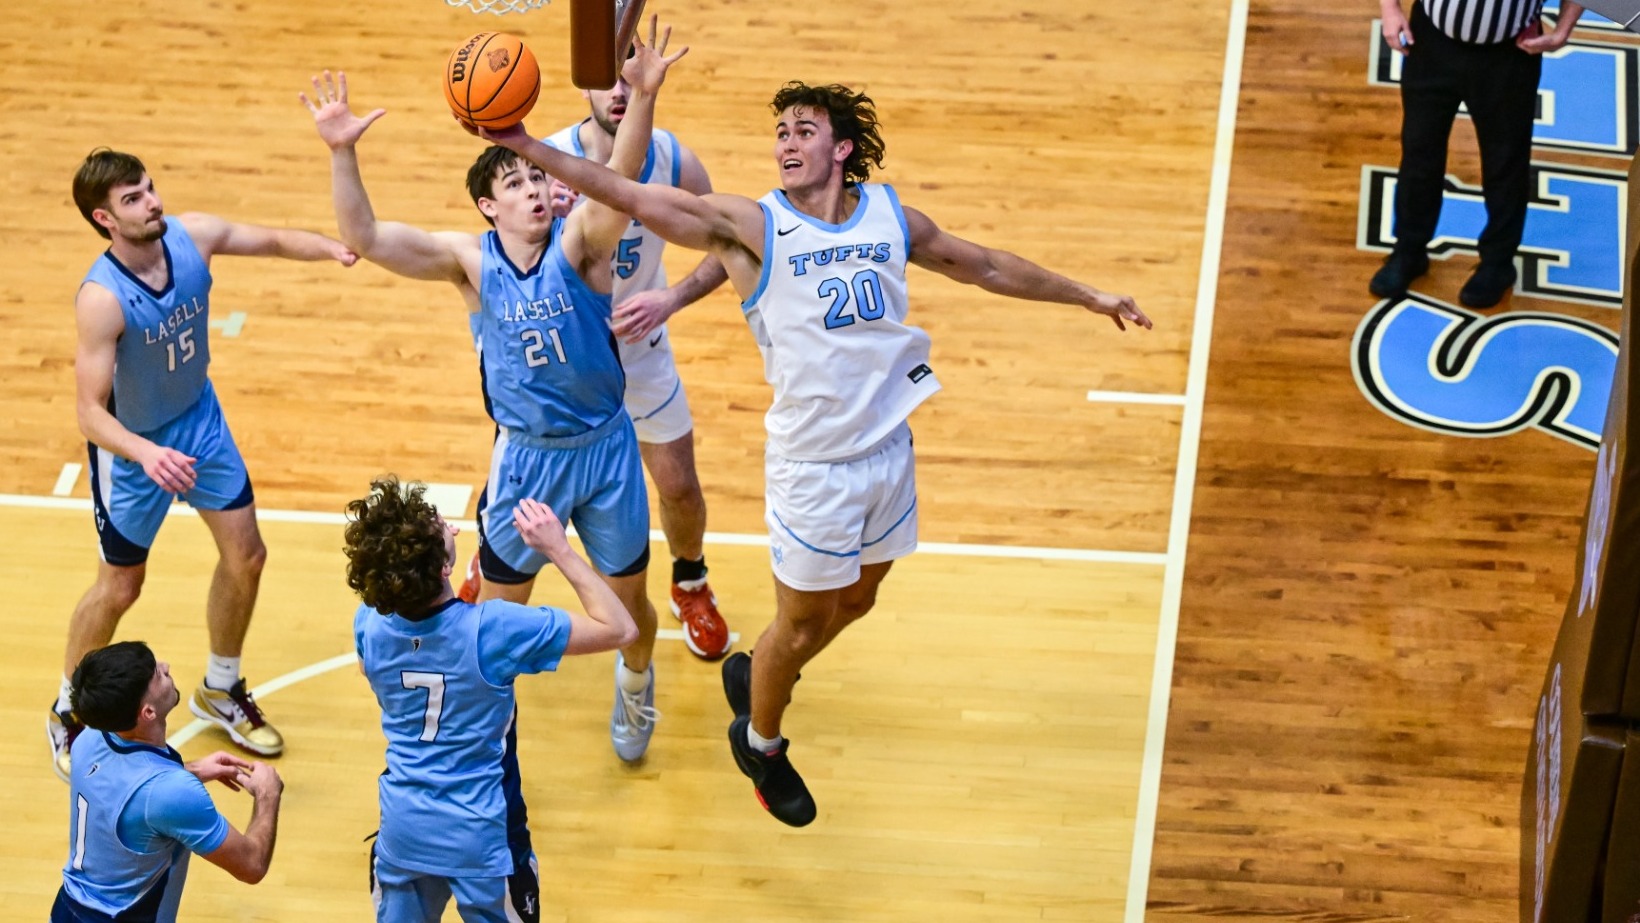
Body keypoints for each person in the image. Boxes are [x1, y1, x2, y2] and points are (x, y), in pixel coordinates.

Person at [477, 81, 1151, 826]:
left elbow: (985, 264)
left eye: (803, 131)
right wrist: (527, 148)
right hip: (814, 470)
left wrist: (1089, 296)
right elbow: (629, 195)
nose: (785, 144)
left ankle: (760, 670)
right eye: (781, 133)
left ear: (842, 149)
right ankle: (760, 739)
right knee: (797, 627)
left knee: (857, 600)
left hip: (890, 449)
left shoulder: (893, 217)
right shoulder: (754, 224)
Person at [301, 22, 686, 763]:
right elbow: (369, 234)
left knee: (630, 606)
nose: (536, 188)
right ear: (488, 206)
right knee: (500, 617)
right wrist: (343, 151)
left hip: (604, 450)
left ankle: (636, 682)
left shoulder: (582, 247)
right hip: (525, 461)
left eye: (540, 177)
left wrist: (642, 97)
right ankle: (491, 731)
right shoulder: (469, 263)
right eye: (516, 182)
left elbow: (624, 184)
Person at [49, 149, 359, 780]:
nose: (152, 202)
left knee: (247, 555)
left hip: (201, 423)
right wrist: (145, 452)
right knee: (121, 587)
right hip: (134, 450)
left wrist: (330, 248)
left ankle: (221, 687)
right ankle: (68, 708)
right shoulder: (102, 299)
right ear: (104, 219)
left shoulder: (194, 237)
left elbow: (269, 238)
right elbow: (88, 413)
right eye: (133, 199)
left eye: (150, 189)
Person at [465, 73, 735, 663]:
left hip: (637, 353)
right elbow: (500, 248)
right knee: (517, 457)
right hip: (557, 362)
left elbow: (728, 243)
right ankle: (491, 551)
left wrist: (673, 297)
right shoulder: (543, 162)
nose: (617, 92)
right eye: (606, 80)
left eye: (629, 82)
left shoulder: (671, 159)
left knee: (680, 487)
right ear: (583, 85)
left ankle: (689, 583)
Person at [345, 477, 635, 922]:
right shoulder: (495, 631)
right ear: (443, 569)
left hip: (403, 831)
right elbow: (620, 628)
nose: (454, 529)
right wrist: (558, 549)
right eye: (443, 527)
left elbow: (371, 667)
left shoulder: (370, 622)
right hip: (482, 838)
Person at [1370, 0, 1585, 307]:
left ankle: (1498, 263)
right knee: (1419, 150)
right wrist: (1390, 9)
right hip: (1431, 42)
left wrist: (1564, 28)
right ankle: (1409, 249)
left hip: (1509, 54)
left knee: (1505, 162)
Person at [54, 641, 284, 922]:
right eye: (158, 674)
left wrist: (194, 769)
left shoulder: (88, 741)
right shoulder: (171, 794)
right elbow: (251, 865)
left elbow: (124, 796)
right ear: (148, 712)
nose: (166, 666)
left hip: (67, 910)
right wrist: (267, 794)